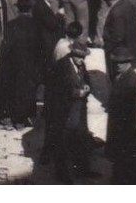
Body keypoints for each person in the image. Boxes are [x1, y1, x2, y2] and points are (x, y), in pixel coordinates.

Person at [41, 40, 94, 182]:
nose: (82, 60)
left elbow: (86, 80)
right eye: (79, 57)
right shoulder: (62, 67)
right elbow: (59, 91)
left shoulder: (81, 65)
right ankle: (62, 177)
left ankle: (82, 170)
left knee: (80, 139)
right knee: (62, 144)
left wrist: (87, 86)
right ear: (72, 53)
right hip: (62, 110)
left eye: (84, 57)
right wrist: (78, 93)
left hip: (78, 109)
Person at [0, 0, 45, 129]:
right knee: (28, 91)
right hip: (32, 64)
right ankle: (24, 118)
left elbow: (6, 47)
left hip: (14, 65)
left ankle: (14, 118)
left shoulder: (11, 25)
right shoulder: (37, 26)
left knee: (14, 91)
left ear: (18, 8)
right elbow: (41, 47)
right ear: (30, 9)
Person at [105, 47, 136, 183]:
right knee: (121, 163)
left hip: (125, 129)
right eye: (116, 63)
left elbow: (134, 104)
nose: (118, 65)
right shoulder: (121, 76)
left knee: (127, 165)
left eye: (121, 62)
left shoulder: (131, 80)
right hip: (121, 128)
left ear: (129, 62)